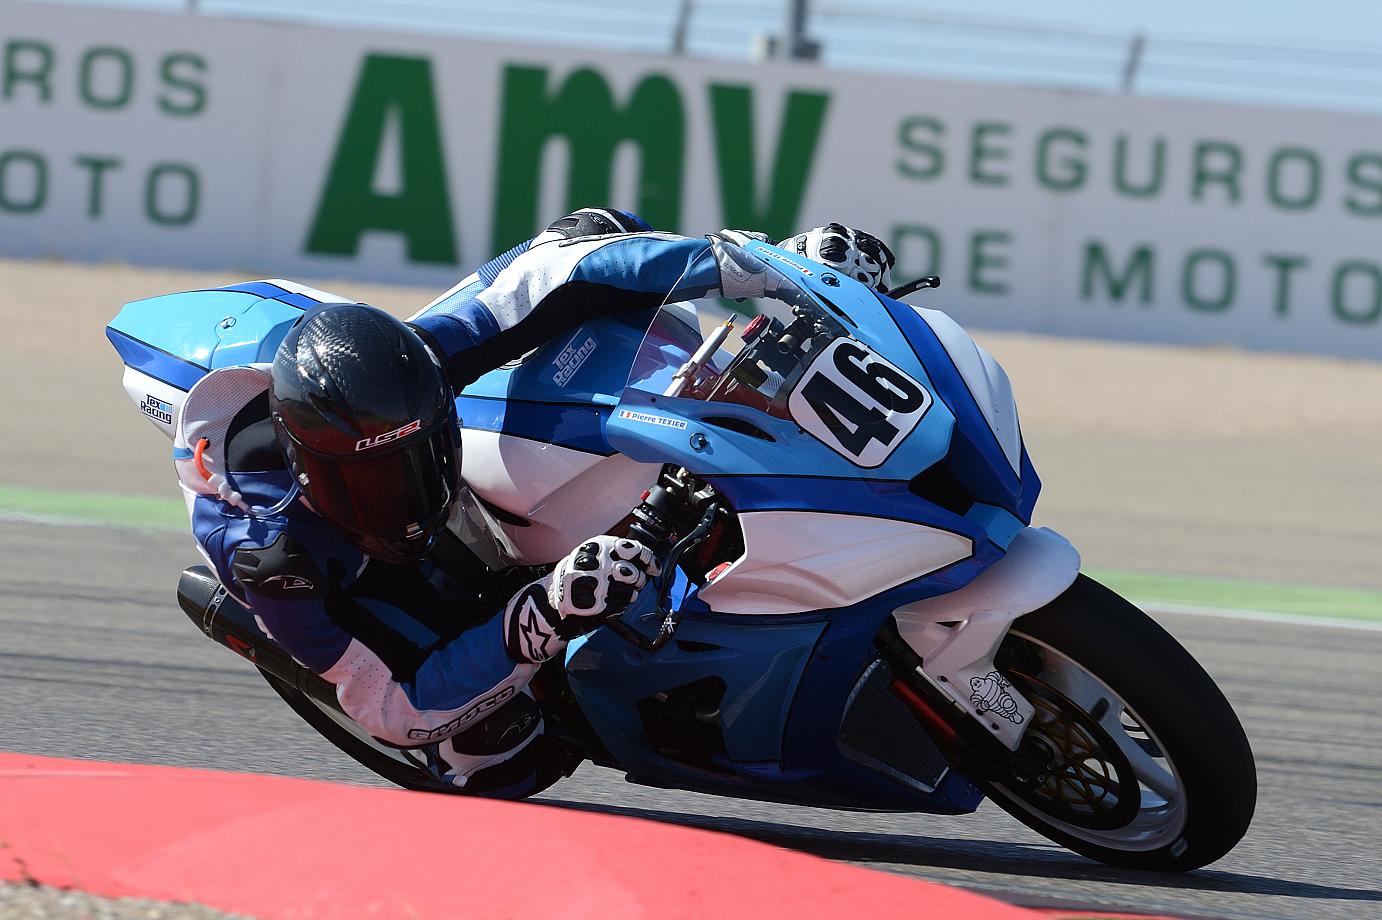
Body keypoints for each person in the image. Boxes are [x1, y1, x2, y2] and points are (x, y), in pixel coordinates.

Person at [174, 209, 897, 795]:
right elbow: (393, 706)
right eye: (374, 480)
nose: (404, 494)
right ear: (311, 471)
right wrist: (545, 612)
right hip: (354, 575)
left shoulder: (415, 367)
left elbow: (542, 275)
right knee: (501, 753)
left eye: (413, 460)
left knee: (593, 230)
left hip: (340, 385)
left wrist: (763, 267)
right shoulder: (274, 556)